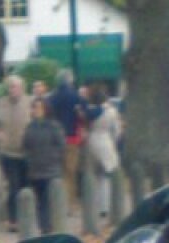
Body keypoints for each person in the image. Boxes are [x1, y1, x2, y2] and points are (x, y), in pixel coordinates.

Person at [0, 74, 31, 230]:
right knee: (13, 186)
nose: (12, 89)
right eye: (10, 86)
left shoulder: (29, 102)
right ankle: (13, 220)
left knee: (25, 186)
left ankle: (27, 217)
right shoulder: (1, 103)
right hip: (8, 153)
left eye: (15, 86)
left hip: (26, 152)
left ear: (21, 88)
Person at [22, 96, 66, 232]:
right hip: (35, 170)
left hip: (50, 169)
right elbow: (26, 144)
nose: (36, 110)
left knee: (49, 200)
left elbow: (61, 145)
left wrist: (54, 158)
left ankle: (49, 226)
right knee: (40, 201)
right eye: (34, 108)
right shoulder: (30, 126)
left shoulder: (53, 126)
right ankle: (44, 226)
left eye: (39, 108)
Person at [83, 83, 122, 221]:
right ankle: (105, 207)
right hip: (106, 141)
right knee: (106, 177)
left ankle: (93, 204)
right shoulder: (111, 111)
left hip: (92, 141)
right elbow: (117, 131)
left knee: (92, 176)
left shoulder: (89, 111)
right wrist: (114, 141)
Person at [48, 69, 85, 205]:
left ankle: (58, 202)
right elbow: (85, 113)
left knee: (58, 173)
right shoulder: (75, 97)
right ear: (70, 80)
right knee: (71, 172)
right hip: (72, 139)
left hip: (54, 140)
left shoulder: (51, 97)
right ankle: (70, 203)